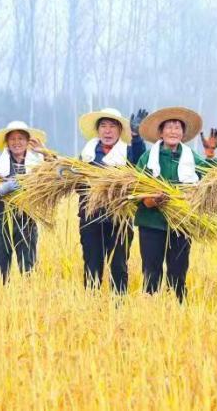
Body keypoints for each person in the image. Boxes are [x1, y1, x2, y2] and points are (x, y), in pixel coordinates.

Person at [134, 107, 217, 302]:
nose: (173, 131)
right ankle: (150, 310)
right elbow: (136, 187)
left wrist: (210, 153)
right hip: (152, 223)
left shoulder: (191, 157)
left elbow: (211, 176)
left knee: (178, 273)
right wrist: (149, 199)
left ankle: (178, 308)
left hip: (182, 224)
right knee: (151, 272)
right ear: (160, 132)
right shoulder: (148, 157)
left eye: (178, 128)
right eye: (169, 127)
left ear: (183, 134)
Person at [77, 107, 148, 294]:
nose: (107, 131)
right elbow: (76, 183)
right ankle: (90, 307)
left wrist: (136, 135)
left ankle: (119, 306)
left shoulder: (128, 152)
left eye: (112, 126)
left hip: (120, 219)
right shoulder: (87, 154)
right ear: (98, 130)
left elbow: (141, 161)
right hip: (91, 218)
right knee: (92, 265)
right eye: (103, 126)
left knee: (118, 266)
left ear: (120, 131)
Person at [0, 121, 48, 284]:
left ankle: (28, 299)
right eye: (12, 139)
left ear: (28, 141)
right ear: (7, 142)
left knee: (28, 268)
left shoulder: (38, 165)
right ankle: (1, 299)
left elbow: (59, 174)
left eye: (21, 138)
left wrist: (45, 153)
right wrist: (0, 190)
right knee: (0, 270)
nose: (17, 142)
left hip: (26, 221)